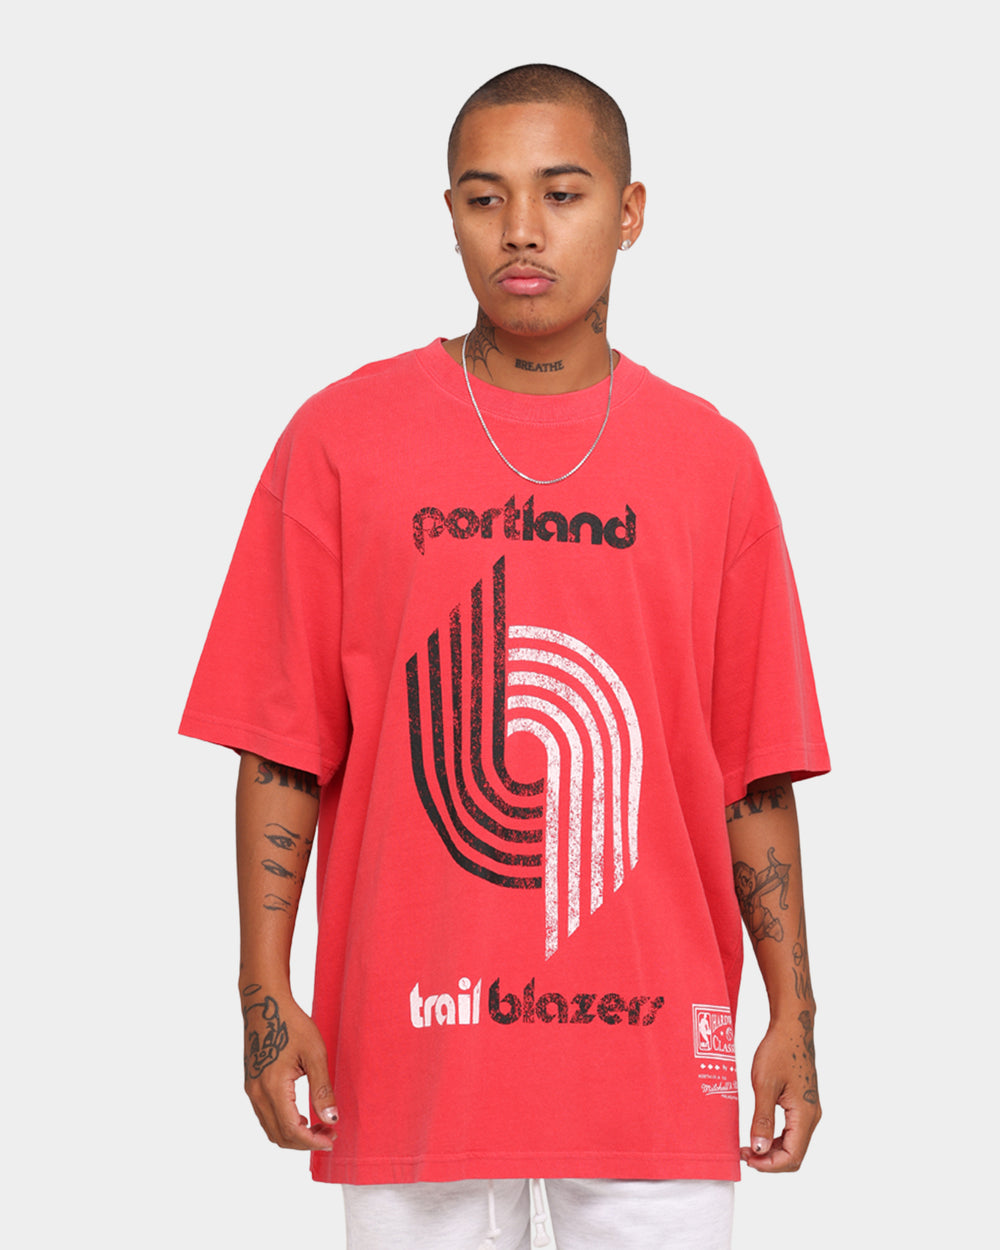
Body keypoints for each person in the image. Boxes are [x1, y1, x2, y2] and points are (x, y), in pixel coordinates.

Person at [180, 64, 829, 1250]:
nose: (521, 229)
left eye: (561, 193)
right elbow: (281, 746)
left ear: (629, 212)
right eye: (484, 198)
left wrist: (794, 1007)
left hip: (653, 1059)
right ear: (451, 214)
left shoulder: (712, 462)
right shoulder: (342, 439)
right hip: (413, 1051)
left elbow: (751, 768)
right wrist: (263, 992)